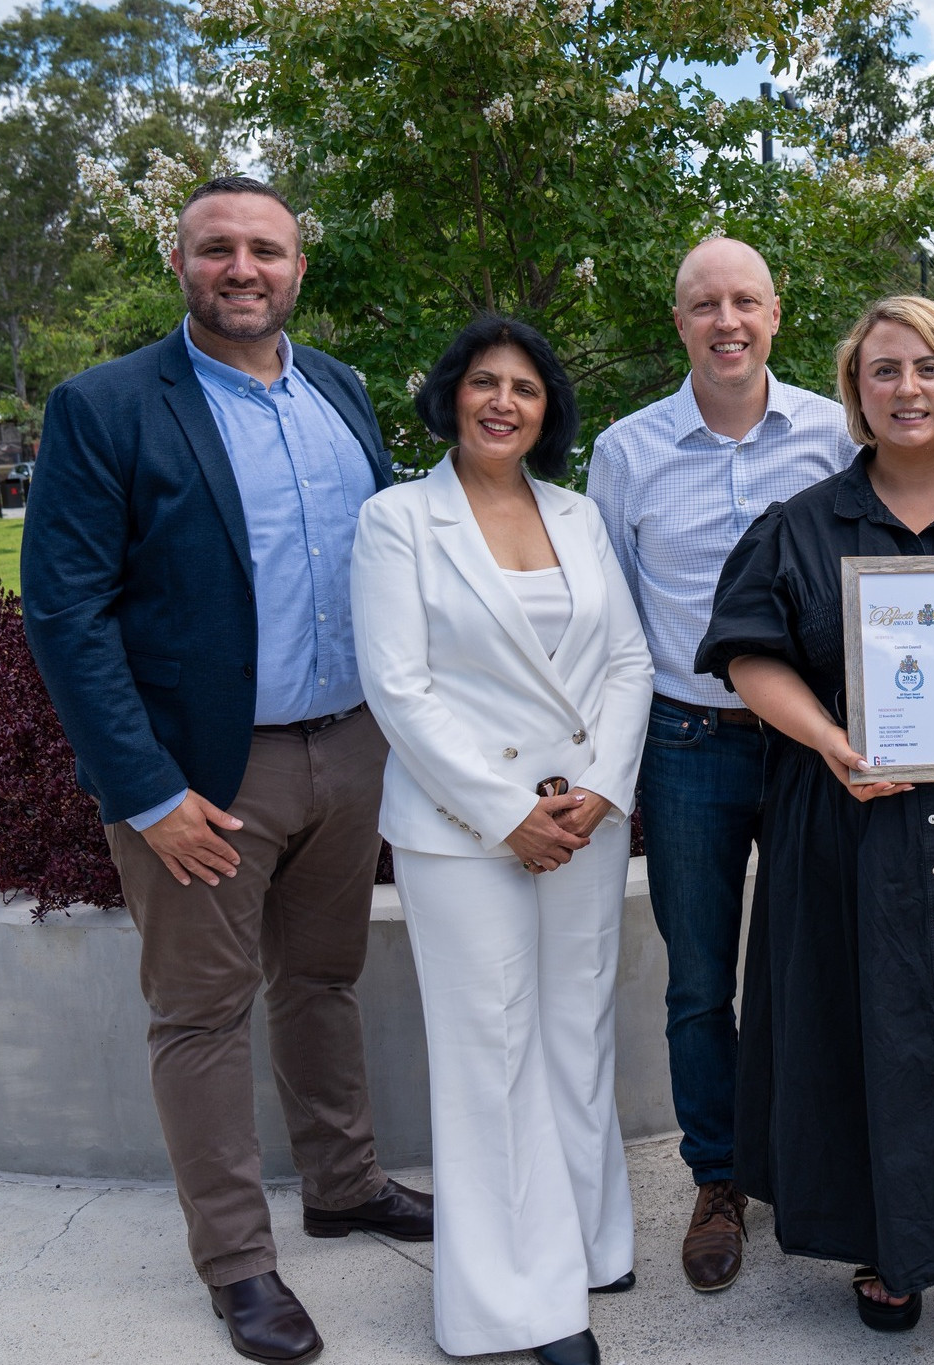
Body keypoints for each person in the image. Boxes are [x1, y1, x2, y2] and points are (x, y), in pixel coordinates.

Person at [21, 175, 431, 1365]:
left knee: (323, 980)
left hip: (347, 749)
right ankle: (239, 1263)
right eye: (217, 249)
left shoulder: (343, 392)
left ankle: (345, 1184)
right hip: (205, 777)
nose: (242, 268)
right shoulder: (106, 406)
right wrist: (146, 794)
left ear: (300, 267)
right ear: (179, 264)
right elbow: (66, 612)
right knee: (200, 1015)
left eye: (266, 249)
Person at [693, 295, 934, 1339]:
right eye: (882, 371)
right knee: (864, 1021)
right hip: (851, 825)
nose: (905, 388)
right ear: (854, 391)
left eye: (926, 368)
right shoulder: (801, 526)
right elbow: (747, 655)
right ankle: (892, 1237)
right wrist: (829, 739)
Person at [351, 316, 654, 1365]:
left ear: (546, 410)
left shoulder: (576, 515)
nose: (502, 402)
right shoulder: (398, 521)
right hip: (461, 831)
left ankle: (588, 1241)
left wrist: (603, 789)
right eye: (483, 382)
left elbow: (626, 659)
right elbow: (399, 688)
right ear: (450, 395)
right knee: (493, 1055)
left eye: (524, 388)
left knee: (576, 1036)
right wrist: (505, 813)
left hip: (581, 820)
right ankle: (514, 1308)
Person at [585, 235, 856, 1292]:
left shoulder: (837, 435)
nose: (727, 321)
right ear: (679, 321)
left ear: (776, 313)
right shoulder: (626, 451)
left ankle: (827, 1167)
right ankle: (718, 1178)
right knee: (699, 983)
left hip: (811, 747)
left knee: (819, 965)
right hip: (685, 742)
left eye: (745, 300)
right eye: (705, 304)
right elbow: (605, 617)